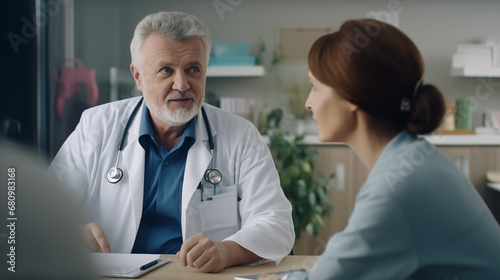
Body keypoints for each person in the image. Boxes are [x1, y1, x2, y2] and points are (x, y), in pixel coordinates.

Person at [49, 11, 294, 273]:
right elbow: (43, 206)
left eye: (193, 69)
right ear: (138, 77)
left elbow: (276, 222)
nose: (182, 83)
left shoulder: (240, 136)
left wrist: (227, 250)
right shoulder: (96, 126)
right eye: (166, 70)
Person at [261, 19, 500, 280]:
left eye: (315, 87)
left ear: (350, 95)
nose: (308, 103)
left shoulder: (397, 187)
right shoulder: (412, 160)